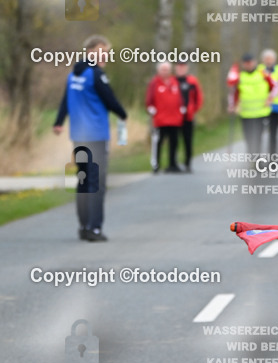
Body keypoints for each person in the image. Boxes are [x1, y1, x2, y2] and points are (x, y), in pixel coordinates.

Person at [53, 35, 127, 242]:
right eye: (103, 51)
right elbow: (110, 100)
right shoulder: (96, 75)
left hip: (78, 135)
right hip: (95, 135)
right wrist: (123, 114)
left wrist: (59, 122)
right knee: (96, 183)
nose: (106, 56)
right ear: (91, 51)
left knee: (83, 181)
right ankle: (95, 228)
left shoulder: (73, 75)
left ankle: (84, 226)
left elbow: (65, 100)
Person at [227, 54, 278, 156]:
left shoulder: (263, 74)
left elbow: (276, 86)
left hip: (261, 112)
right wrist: (231, 105)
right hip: (246, 113)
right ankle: (252, 156)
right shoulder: (240, 77)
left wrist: (270, 98)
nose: (248, 65)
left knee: (258, 137)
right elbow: (233, 94)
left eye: (250, 62)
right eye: (246, 63)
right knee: (248, 137)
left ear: (255, 62)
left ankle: (256, 158)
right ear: (243, 64)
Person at [145, 62, 184, 173]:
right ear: (159, 70)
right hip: (160, 119)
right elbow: (149, 100)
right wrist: (151, 109)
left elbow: (180, 98)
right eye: (163, 69)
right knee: (158, 142)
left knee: (174, 142)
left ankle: (172, 164)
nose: (165, 72)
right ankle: (156, 165)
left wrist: (181, 110)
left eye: (167, 69)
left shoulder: (174, 82)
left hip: (175, 119)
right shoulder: (154, 83)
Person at [174, 62, 203, 172]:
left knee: (188, 140)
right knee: (174, 140)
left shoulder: (192, 81)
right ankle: (174, 163)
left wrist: (194, 109)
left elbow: (198, 97)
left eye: (183, 67)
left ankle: (188, 163)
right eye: (179, 67)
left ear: (186, 68)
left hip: (188, 116)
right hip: (175, 117)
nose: (181, 69)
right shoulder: (172, 81)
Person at [257, 49, 278, 154]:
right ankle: (257, 157)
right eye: (266, 59)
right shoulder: (259, 70)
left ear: (275, 60)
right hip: (262, 106)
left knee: (273, 133)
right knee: (259, 133)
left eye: (271, 59)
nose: (269, 61)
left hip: (276, 105)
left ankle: (272, 156)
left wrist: (273, 94)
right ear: (263, 60)